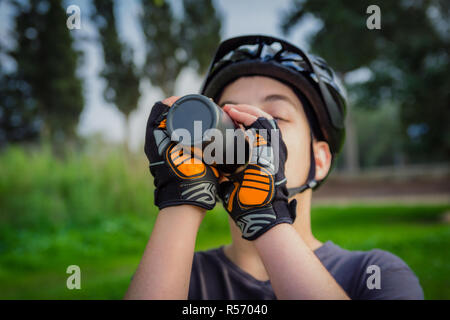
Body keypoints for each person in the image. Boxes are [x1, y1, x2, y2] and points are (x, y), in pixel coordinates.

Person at [124, 35, 424, 300]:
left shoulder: (373, 273)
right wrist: (182, 195)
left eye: (275, 118)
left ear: (319, 160)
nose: (243, 128)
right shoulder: (178, 277)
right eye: (227, 116)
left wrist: (263, 212)